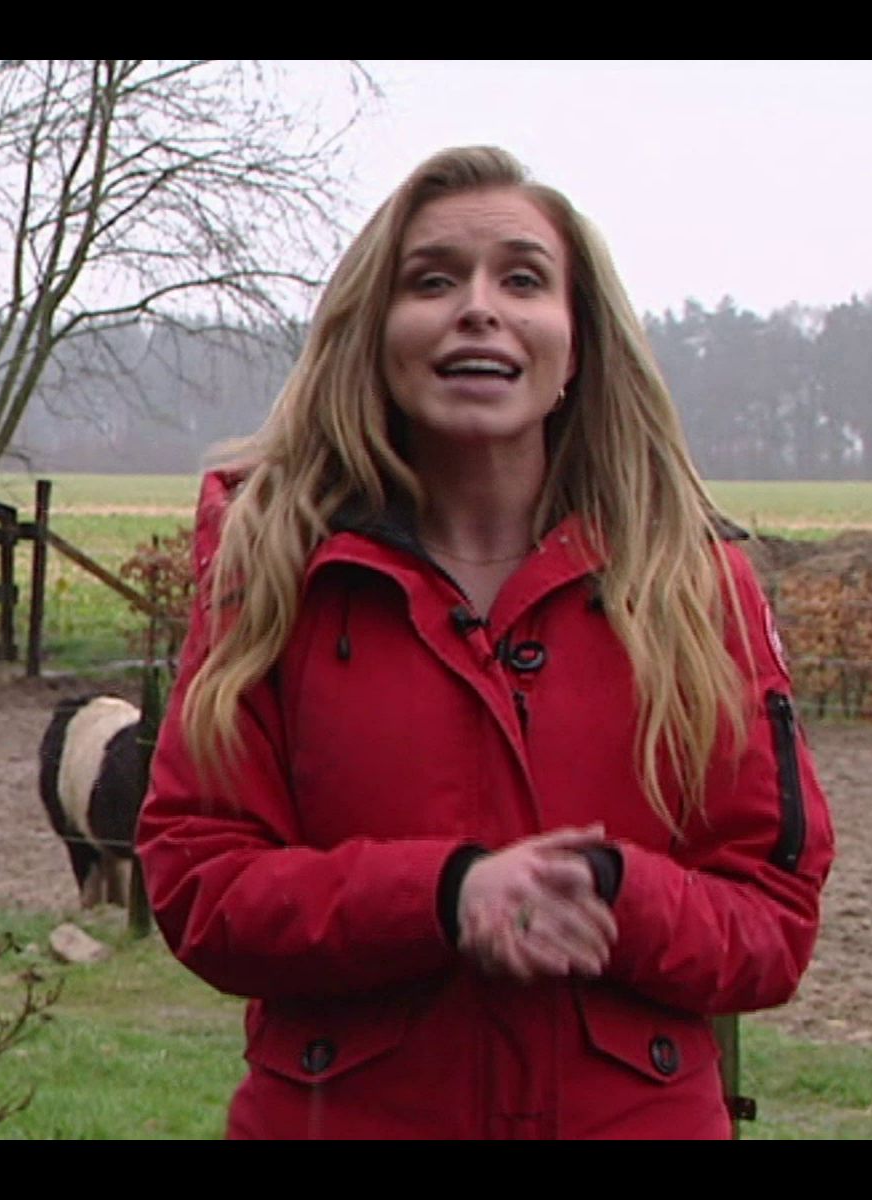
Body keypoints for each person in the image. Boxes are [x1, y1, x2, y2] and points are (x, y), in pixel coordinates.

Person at [134, 146, 836, 1140]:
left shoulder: (694, 589)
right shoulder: (275, 573)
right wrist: (446, 896)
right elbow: (201, 884)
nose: (477, 308)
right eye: (432, 281)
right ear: (375, 335)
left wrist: (612, 895)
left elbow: (772, 921)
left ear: (575, 345)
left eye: (522, 279)